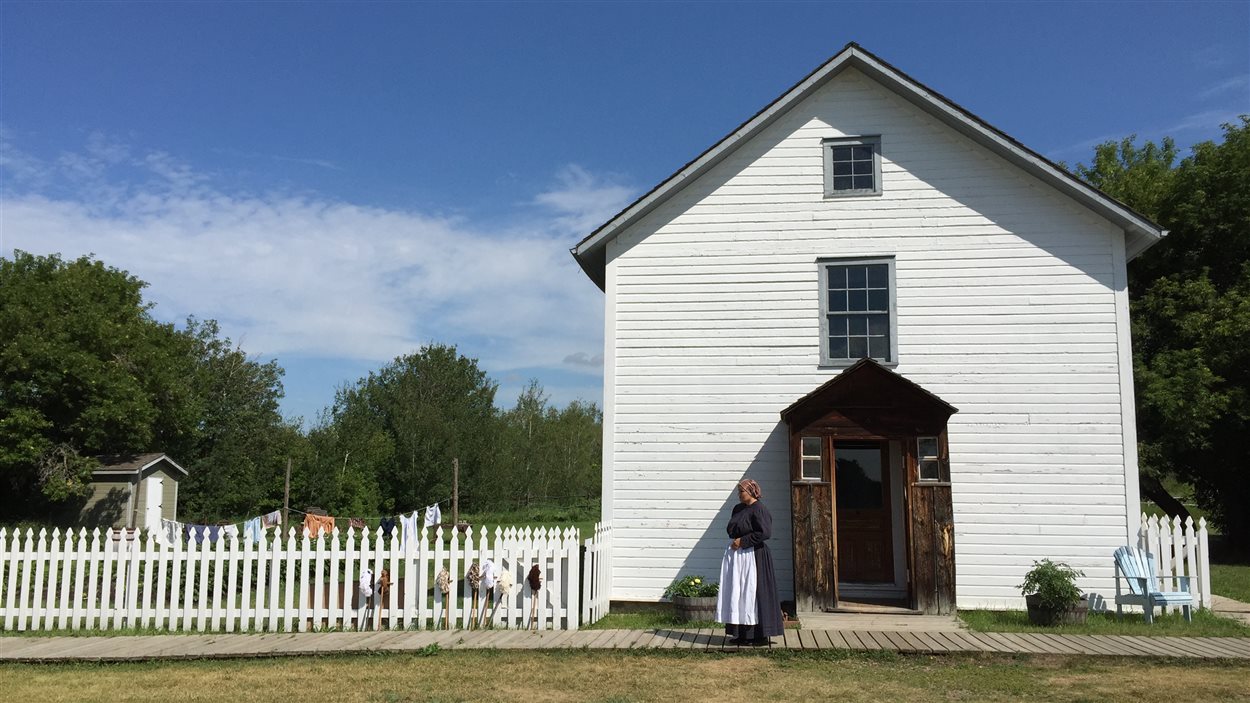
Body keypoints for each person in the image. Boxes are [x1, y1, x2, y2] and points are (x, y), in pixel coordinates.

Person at [716, 478, 784, 645]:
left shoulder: (760, 509)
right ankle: (741, 634)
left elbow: (764, 533)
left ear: (752, 492)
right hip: (739, 558)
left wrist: (743, 541)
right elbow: (732, 529)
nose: (739, 495)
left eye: (742, 491)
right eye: (738, 491)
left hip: (755, 556)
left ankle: (759, 635)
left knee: (753, 593)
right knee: (738, 593)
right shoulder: (738, 508)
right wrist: (736, 541)